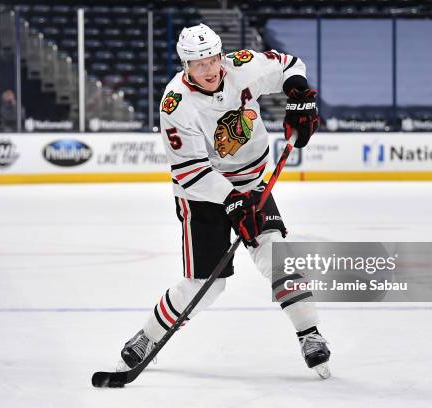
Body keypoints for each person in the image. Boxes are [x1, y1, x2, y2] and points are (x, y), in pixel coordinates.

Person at [116, 24, 329, 378]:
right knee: (206, 285)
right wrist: (230, 201)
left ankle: (310, 333)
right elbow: (190, 171)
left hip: (252, 183)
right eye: (199, 64)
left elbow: (290, 64)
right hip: (201, 195)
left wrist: (299, 94)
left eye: (213, 59)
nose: (210, 69)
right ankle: (149, 337)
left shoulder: (241, 66)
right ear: (186, 65)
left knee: (277, 256)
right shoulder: (176, 103)